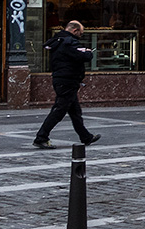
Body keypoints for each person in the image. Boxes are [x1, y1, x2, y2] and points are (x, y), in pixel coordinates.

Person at [32, 21, 100, 149]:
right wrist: (88, 52)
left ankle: (86, 137)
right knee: (59, 111)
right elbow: (82, 56)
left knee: (75, 112)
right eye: (81, 33)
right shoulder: (69, 42)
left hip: (62, 79)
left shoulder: (58, 40)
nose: (81, 35)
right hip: (68, 80)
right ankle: (41, 137)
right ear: (74, 31)